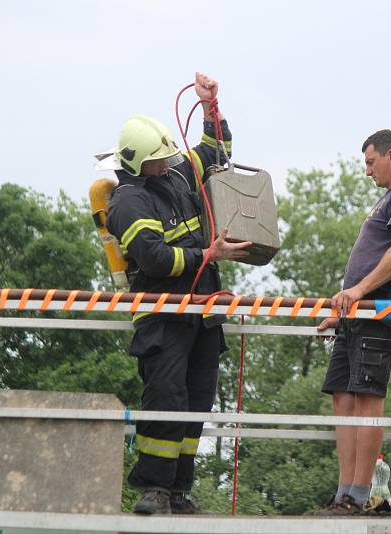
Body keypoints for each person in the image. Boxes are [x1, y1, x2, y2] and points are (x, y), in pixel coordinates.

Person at [106, 72, 251, 515]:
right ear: (135, 164)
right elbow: (154, 260)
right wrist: (209, 253)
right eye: (158, 161)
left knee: (196, 402)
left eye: (168, 157)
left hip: (202, 314)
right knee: (165, 400)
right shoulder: (127, 200)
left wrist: (211, 107)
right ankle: (153, 490)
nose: (167, 165)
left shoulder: (174, 174)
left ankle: (179, 492)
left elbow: (216, 152)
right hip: (163, 317)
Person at [315, 129, 391, 515]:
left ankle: (360, 495)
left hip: (377, 312)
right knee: (342, 398)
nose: (366, 171)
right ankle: (344, 491)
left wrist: (358, 291)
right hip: (355, 315)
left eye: (371, 162)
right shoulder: (388, 197)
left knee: (366, 401)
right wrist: (342, 311)